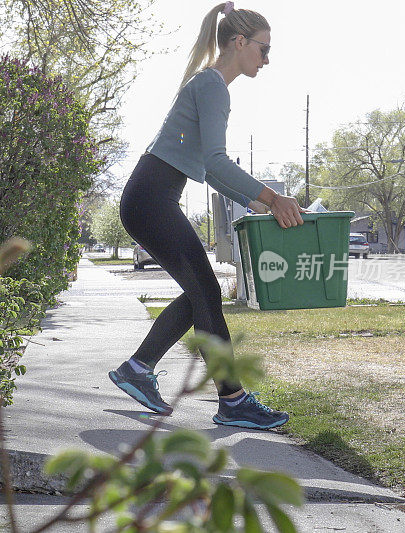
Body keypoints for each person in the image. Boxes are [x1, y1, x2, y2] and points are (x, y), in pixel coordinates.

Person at [108, 2, 305, 430]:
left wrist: (257, 203)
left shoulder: (208, 84)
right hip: (151, 199)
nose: (267, 60)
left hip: (151, 197)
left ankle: (138, 369)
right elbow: (215, 161)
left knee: (201, 291)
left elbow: (211, 170)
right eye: (264, 49)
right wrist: (272, 197)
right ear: (240, 42)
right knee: (206, 292)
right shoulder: (214, 86)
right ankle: (232, 400)